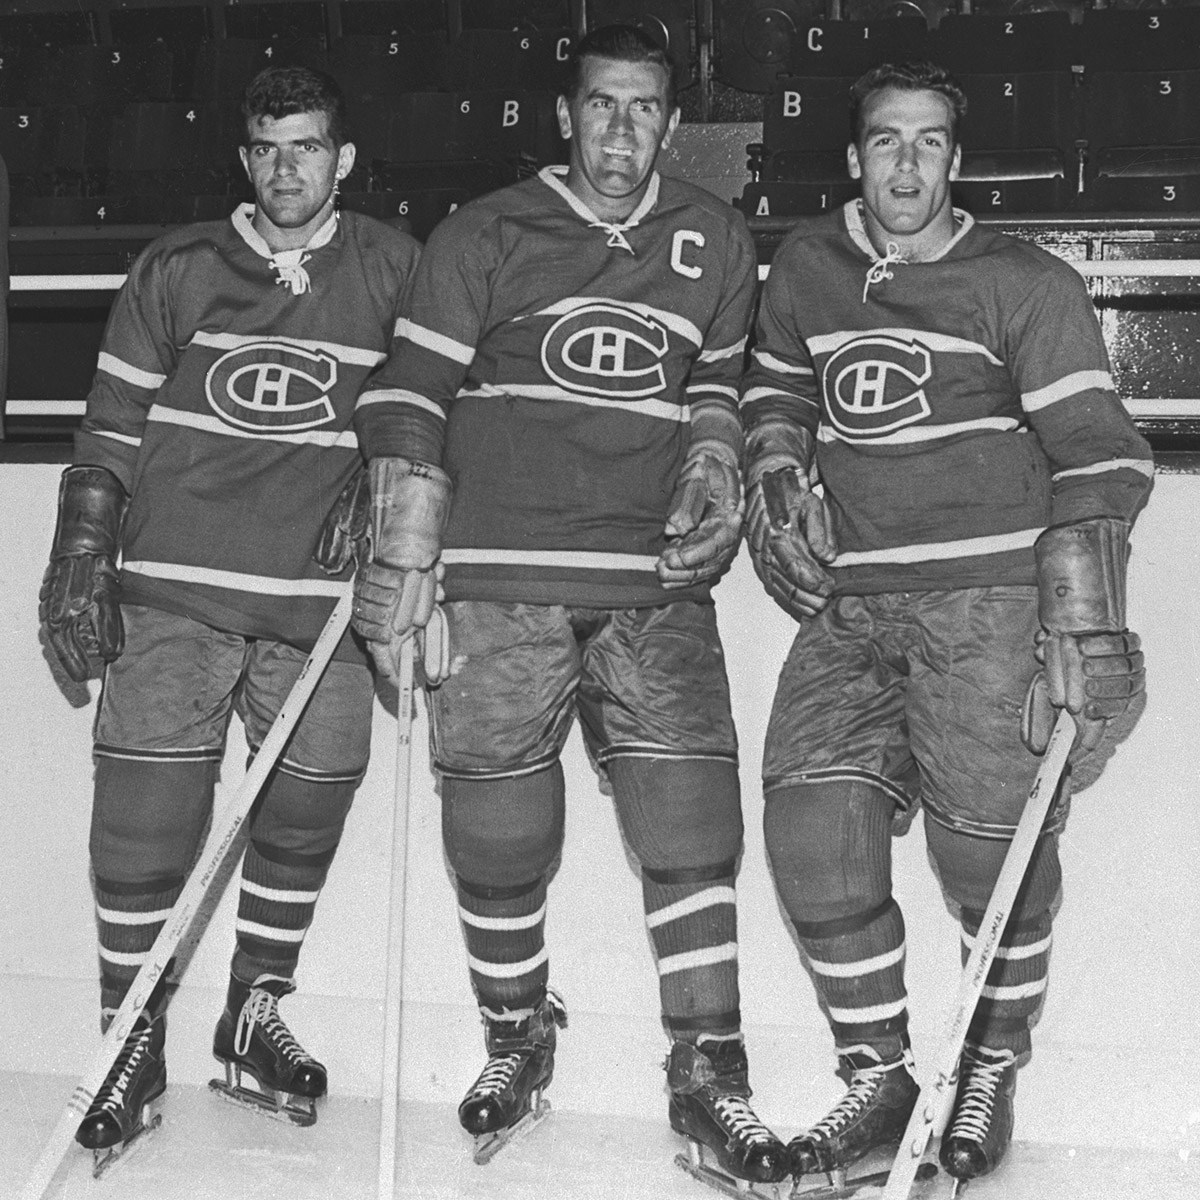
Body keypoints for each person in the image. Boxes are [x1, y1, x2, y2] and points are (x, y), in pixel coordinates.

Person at [350, 22, 788, 1189]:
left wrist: (713, 460)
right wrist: (401, 546)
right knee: (497, 838)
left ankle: (710, 1075)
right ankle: (517, 1039)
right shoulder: (485, 231)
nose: (621, 131)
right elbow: (408, 394)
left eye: (645, 109)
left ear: (671, 122)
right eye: (602, 105)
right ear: (565, 113)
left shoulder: (714, 238)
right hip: (497, 581)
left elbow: (718, 390)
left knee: (692, 831)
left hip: (653, 584)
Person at [740, 60, 1153, 1187]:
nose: (906, 165)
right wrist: (774, 458)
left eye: (929, 144)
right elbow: (775, 387)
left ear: (957, 161)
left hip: (986, 601)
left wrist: (1076, 613)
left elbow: (1106, 457)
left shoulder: (1023, 282)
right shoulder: (809, 270)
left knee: (991, 854)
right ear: (854, 156)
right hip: (855, 603)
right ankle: (881, 1078)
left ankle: (985, 1061)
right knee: (811, 835)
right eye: (886, 142)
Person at [38, 66, 420, 1168]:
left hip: (315, 604)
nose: (287, 167)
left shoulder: (396, 266)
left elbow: (433, 402)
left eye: (308, 147)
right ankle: (130, 1034)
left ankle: (253, 1013)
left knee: (312, 794)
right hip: (175, 584)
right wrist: (80, 548)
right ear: (245, 159)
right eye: (268, 149)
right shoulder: (180, 265)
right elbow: (111, 425)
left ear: (343, 159)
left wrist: (386, 474)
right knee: (147, 812)